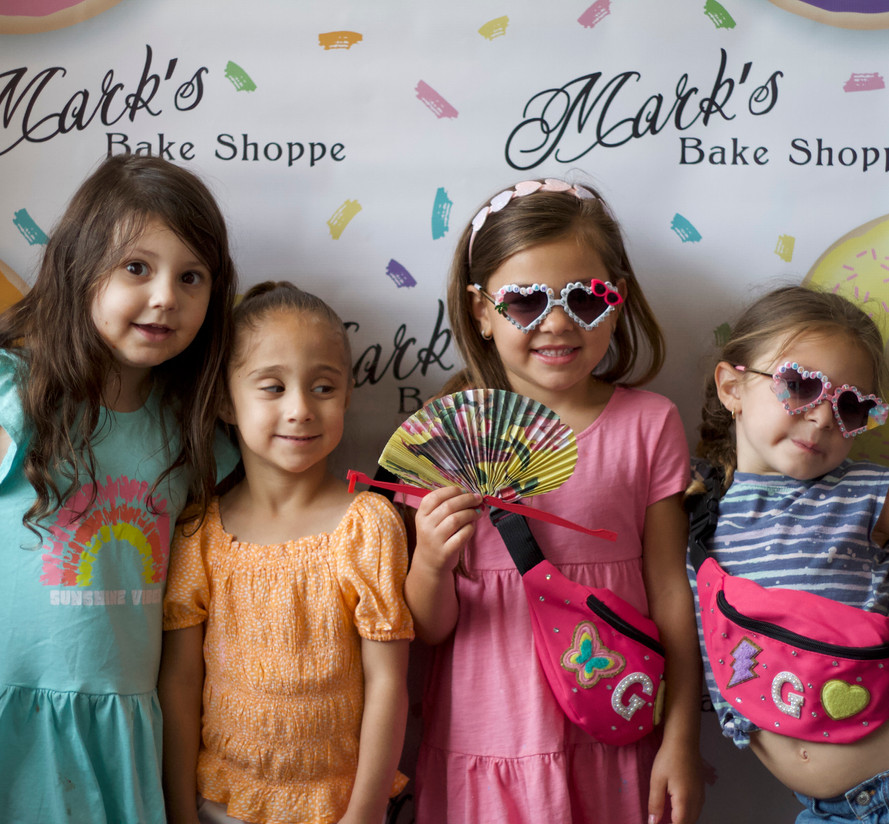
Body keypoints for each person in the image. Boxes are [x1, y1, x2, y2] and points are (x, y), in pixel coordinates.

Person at [404, 178, 703, 824]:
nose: (558, 323)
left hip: (615, 731)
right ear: (481, 311)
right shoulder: (446, 433)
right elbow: (428, 629)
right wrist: (429, 560)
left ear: (617, 302)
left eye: (585, 298)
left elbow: (670, 593)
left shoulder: (649, 424)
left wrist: (681, 735)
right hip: (486, 737)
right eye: (525, 301)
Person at [0, 154, 238, 823]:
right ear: (80, 267)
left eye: (190, 276)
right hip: (15, 721)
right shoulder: (12, 394)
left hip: (123, 734)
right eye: (137, 267)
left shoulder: (195, 434)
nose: (166, 296)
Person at [159, 281, 414, 824]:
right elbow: (179, 684)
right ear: (225, 400)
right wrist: (179, 809)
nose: (300, 409)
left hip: (340, 806)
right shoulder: (199, 532)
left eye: (323, 387)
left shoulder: (367, 525)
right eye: (272, 388)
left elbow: (388, 682)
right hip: (221, 802)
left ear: (347, 395)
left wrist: (365, 812)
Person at [689, 285, 889, 823]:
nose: (822, 419)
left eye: (850, 406)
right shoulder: (694, 518)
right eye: (800, 386)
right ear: (732, 387)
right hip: (826, 811)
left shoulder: (871, 491)